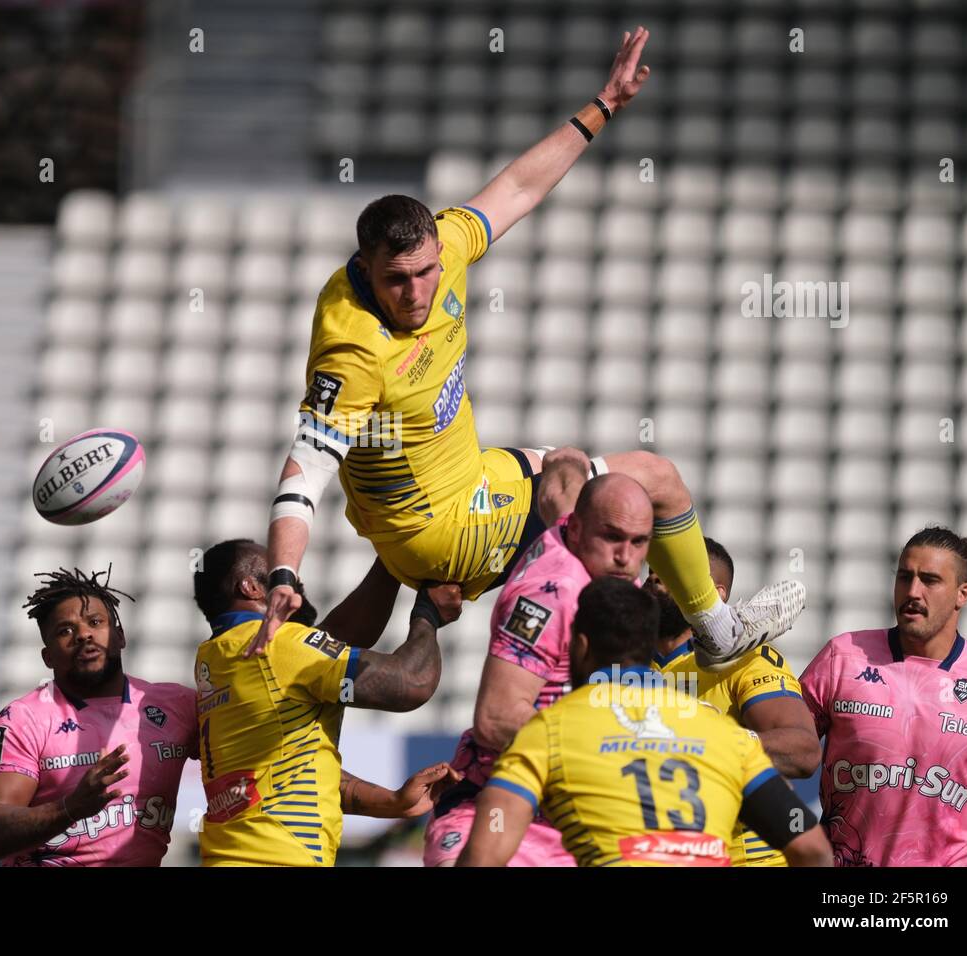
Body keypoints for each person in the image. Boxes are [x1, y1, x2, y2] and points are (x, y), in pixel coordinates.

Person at [250, 27, 804, 671]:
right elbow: (305, 469)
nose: (416, 292)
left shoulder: (445, 247)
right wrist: (286, 570)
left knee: (554, 460)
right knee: (653, 479)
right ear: (365, 265)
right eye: (396, 280)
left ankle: (296, 674)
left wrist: (605, 104)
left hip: (462, 481)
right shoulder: (353, 350)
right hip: (443, 531)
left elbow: (517, 188)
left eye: (426, 272)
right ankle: (712, 633)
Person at [456, 577, 833, 867]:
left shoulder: (547, 730)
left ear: (581, 646)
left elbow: (487, 849)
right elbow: (811, 847)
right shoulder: (723, 736)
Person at [423, 473, 651, 866]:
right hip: (496, 813)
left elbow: (563, 474)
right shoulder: (552, 595)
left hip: (572, 816)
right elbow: (495, 720)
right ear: (577, 530)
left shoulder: (587, 553)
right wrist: (608, 748)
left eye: (639, 542)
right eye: (613, 537)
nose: (625, 557)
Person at [192, 538, 462, 866]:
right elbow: (411, 683)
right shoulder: (278, 648)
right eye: (279, 576)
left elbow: (338, 635)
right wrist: (428, 615)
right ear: (250, 588)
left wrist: (393, 558)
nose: (293, 583)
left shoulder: (220, 656)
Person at [0, 567, 197, 866]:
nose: (83, 634)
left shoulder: (177, 706)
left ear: (120, 636)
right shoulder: (24, 720)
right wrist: (71, 808)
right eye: (65, 630)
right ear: (47, 656)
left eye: (95, 622)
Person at [801, 527, 967, 866]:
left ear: (962, 594)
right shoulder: (843, 657)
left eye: (930, 580)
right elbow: (780, 749)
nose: (912, 591)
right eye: (905, 577)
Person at [645, 537, 819, 866]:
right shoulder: (622, 662)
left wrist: (708, 740)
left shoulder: (751, 660)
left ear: (715, 594)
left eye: (671, 572)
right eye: (652, 571)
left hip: (742, 857)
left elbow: (803, 751)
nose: (654, 577)